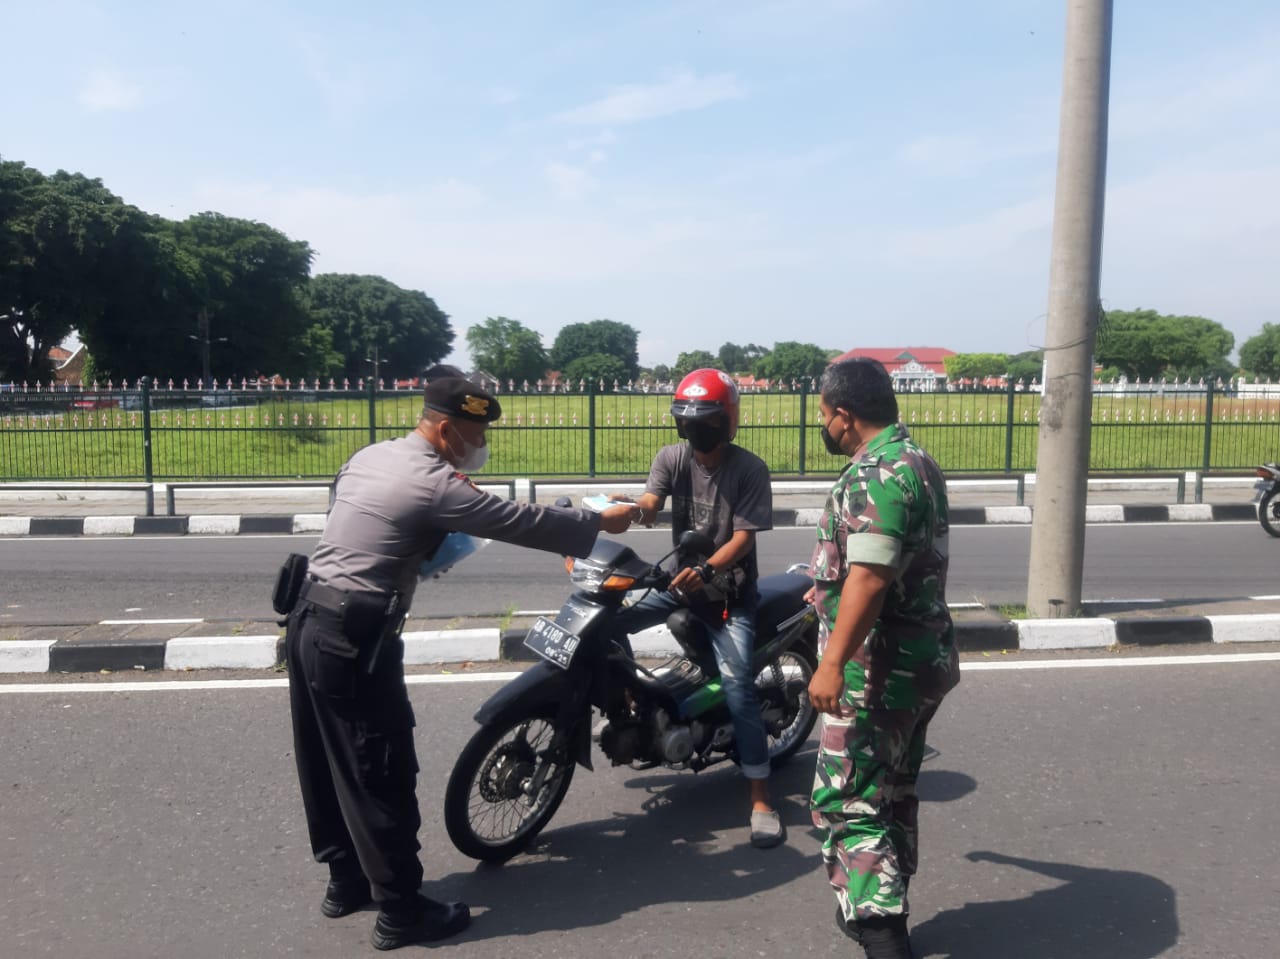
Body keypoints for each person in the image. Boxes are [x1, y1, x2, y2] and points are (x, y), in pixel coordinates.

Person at [283, 366, 636, 951]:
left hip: (307, 621)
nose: (479, 448)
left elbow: (358, 516)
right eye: (474, 437)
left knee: (325, 762)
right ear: (446, 432)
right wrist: (598, 521)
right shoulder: (436, 483)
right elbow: (520, 522)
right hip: (355, 637)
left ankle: (344, 881)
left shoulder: (371, 455)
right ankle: (401, 912)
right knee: (380, 767)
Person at [805, 357, 959, 959]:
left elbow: (869, 577)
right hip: (921, 665)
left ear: (844, 415)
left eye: (823, 414)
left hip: (877, 673)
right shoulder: (916, 460)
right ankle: (885, 904)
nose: (823, 424)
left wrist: (831, 662)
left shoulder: (875, 474)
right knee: (891, 793)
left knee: (849, 803)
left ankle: (882, 935)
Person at [610, 368, 783, 848]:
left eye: (705, 421)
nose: (696, 431)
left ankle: (760, 797)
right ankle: (629, 704)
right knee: (608, 618)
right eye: (687, 422)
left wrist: (709, 571)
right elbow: (650, 502)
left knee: (738, 688)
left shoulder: (749, 470)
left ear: (727, 420)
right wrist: (626, 509)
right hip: (678, 585)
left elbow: (744, 538)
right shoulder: (672, 457)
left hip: (729, 597)